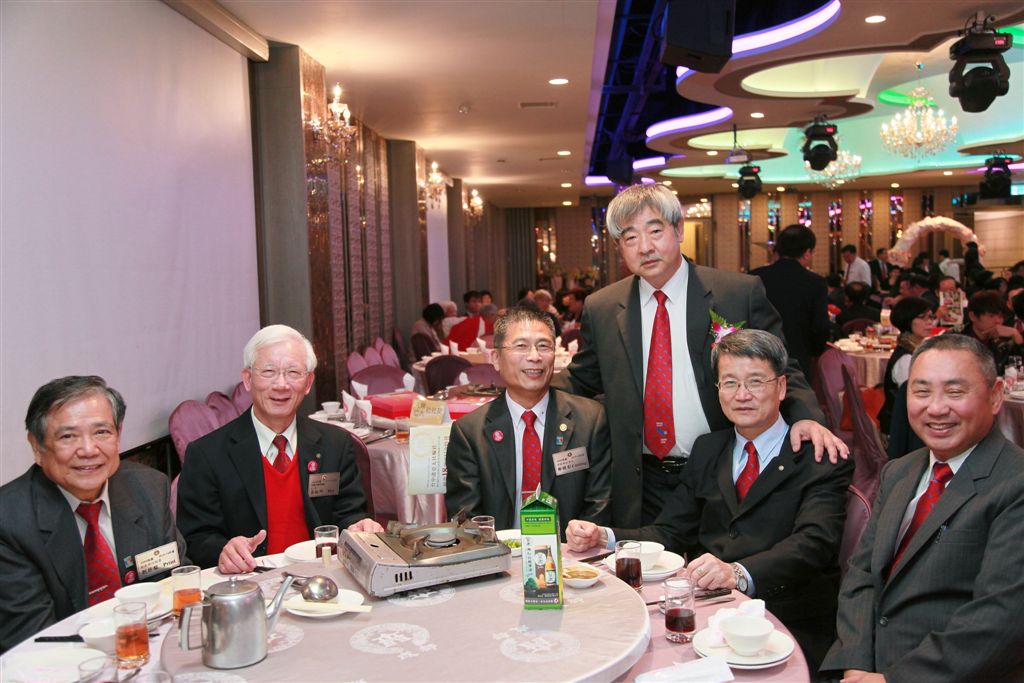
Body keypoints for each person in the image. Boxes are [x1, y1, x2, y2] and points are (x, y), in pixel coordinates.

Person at [566, 330, 852, 672]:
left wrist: (737, 573)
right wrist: (605, 536)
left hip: (787, 619)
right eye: (730, 383)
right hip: (708, 614)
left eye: (755, 381)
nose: (742, 395)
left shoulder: (817, 456)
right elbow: (670, 532)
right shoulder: (708, 449)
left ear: (781, 387)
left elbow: (814, 543)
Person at [563, 184, 843, 527]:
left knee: (718, 559)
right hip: (642, 480)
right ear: (620, 246)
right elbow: (582, 379)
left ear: (679, 230)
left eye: (655, 231)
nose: (645, 247)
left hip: (722, 469)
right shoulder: (603, 307)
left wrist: (806, 417)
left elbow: (783, 367)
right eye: (630, 237)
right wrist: (520, 387)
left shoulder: (737, 294)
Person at [821, 334, 1024, 682]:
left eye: (955, 392)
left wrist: (891, 680)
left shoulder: (1014, 482)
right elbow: (861, 573)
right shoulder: (899, 471)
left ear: (995, 396)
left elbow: (1002, 618)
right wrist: (856, 663)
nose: (936, 408)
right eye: (921, 391)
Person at [0, 376, 185, 653]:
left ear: (118, 436)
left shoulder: (147, 488)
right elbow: (34, 642)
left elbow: (175, 584)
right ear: (37, 446)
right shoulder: (9, 520)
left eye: (102, 432)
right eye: (68, 436)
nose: (88, 450)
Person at [176, 325, 381, 573]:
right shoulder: (207, 455)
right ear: (248, 379)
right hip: (249, 580)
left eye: (293, 372)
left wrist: (359, 526)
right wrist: (224, 549)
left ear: (308, 382)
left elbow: (349, 514)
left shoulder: (335, 444)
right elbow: (196, 538)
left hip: (324, 576)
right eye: (269, 372)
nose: (281, 384)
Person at [445, 307, 611, 533]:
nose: (534, 356)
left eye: (544, 346)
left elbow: (599, 505)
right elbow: (466, 520)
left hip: (570, 551)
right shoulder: (469, 432)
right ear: (495, 358)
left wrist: (582, 539)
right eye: (521, 346)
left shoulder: (590, 420)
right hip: (498, 551)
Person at [750, 224, 829, 378]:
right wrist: (815, 351)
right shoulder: (815, 283)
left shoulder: (755, 277)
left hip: (758, 359)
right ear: (807, 252)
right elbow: (820, 327)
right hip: (798, 361)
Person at [876, 297, 933, 434]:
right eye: (923, 318)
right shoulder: (906, 358)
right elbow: (912, 398)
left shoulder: (916, 348)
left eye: (930, 317)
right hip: (901, 427)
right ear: (908, 321)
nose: (929, 322)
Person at [961, 290, 1023, 374]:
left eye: (1000, 316)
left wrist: (1017, 337)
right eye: (991, 316)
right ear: (973, 316)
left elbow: (1019, 371)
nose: (998, 321)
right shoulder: (957, 338)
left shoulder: (1007, 339)